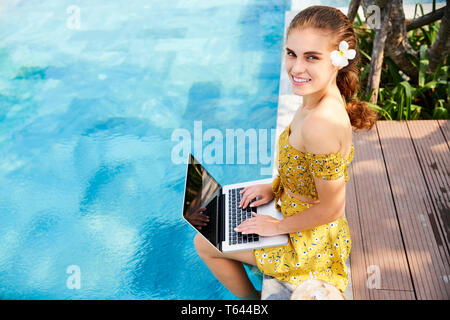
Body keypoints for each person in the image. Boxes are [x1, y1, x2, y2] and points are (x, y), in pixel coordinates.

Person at [193, 5, 378, 300]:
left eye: (311, 57)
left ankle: (252, 302)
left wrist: (277, 226)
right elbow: (305, 172)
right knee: (216, 223)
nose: (296, 68)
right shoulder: (315, 101)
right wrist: (273, 187)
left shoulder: (321, 123)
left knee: (204, 243)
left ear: (337, 61)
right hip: (298, 216)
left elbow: (333, 208)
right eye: (292, 53)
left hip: (309, 247)